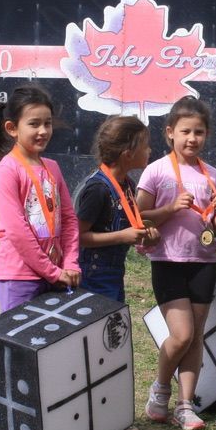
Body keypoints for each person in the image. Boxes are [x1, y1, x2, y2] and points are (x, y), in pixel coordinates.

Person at [136, 96, 216, 430]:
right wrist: (171, 208)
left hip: (203, 260)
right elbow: (139, 215)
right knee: (181, 335)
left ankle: (186, 405)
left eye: (199, 132)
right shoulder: (157, 171)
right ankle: (160, 387)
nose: (192, 138)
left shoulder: (213, 175)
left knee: (197, 335)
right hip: (168, 261)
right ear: (170, 133)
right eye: (186, 131)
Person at [0, 84, 80, 313]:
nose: (43, 131)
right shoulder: (8, 170)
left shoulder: (53, 168)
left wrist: (70, 263)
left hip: (56, 274)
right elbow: (17, 231)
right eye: (34, 124)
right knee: (20, 345)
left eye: (47, 123)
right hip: (20, 277)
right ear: (12, 128)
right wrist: (53, 272)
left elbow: (68, 219)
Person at [75, 116, 160, 302]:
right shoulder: (97, 189)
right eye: (145, 146)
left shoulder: (128, 185)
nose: (150, 150)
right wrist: (122, 236)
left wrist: (147, 237)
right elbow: (78, 237)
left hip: (114, 274)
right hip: (92, 277)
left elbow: (130, 227)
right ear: (128, 154)